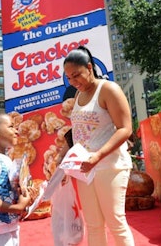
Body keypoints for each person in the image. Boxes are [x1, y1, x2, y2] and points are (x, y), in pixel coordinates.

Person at [63, 46, 135, 246]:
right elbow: (79, 135)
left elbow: (125, 128)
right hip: (85, 170)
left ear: (89, 67)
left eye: (76, 75)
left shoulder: (108, 89)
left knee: (115, 222)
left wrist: (98, 155)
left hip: (110, 165)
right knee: (93, 224)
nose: (73, 82)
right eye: (69, 78)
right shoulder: (78, 96)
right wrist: (69, 162)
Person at [0, 112, 36, 246]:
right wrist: (17, 207)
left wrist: (25, 197)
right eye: (11, 127)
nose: (16, 131)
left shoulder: (7, 160)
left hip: (8, 227)